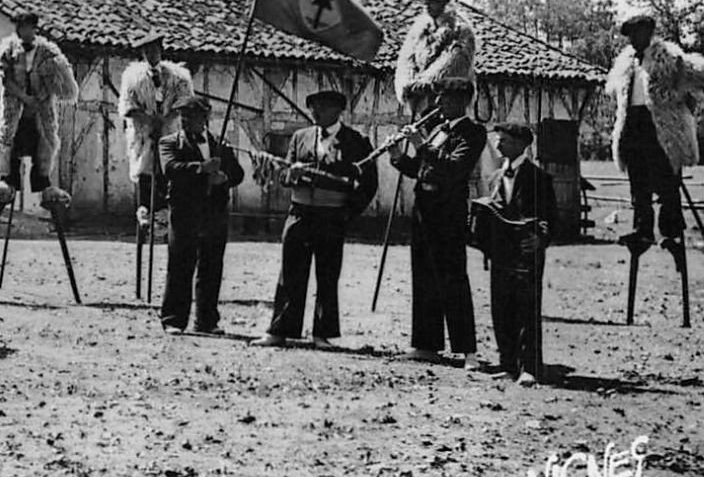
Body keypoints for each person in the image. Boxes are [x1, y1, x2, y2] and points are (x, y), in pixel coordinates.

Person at [253, 89, 380, 349]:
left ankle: (322, 334)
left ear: (337, 110)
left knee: (327, 274)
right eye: (312, 107)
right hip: (299, 212)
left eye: (321, 107)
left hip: (332, 215)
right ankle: (280, 330)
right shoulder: (301, 137)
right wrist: (292, 176)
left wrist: (347, 214)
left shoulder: (356, 141)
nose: (315, 112)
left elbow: (369, 183)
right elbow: (284, 175)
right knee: (289, 272)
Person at [390, 77, 487, 370]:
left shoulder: (473, 132)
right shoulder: (434, 128)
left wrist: (422, 145)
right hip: (424, 211)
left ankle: (467, 350)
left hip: (448, 215)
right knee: (423, 275)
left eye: (444, 99)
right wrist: (397, 157)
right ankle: (426, 344)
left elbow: (454, 169)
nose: (438, 104)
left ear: (461, 101)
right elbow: (422, 170)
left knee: (452, 278)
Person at [604, 12, 704, 255]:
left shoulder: (668, 57)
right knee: (638, 184)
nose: (633, 40)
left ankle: (670, 232)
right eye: (630, 36)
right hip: (633, 124)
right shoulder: (627, 63)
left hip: (659, 125)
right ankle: (643, 230)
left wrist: (679, 95)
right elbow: (619, 94)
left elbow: (697, 78)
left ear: (648, 33)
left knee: (666, 182)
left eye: (637, 34)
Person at [157, 98, 245, 336]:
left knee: (211, 266)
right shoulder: (168, 143)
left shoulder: (220, 144)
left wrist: (223, 177)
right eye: (183, 116)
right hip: (184, 212)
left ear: (205, 118)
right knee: (180, 265)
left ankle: (207, 321)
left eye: (192, 116)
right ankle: (174, 320)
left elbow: (238, 174)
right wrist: (202, 169)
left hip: (214, 213)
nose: (186, 121)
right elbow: (171, 169)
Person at [476, 122, 556, 387]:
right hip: (501, 253)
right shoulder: (495, 178)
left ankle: (530, 367)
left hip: (526, 252)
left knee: (527, 309)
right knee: (501, 308)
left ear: (522, 145)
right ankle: (507, 364)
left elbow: (550, 217)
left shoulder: (538, 178)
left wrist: (540, 239)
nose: (498, 145)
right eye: (498, 140)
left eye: (505, 141)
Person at [0, 12, 79, 206]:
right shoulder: (8, 49)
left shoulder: (48, 51)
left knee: (43, 144)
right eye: (20, 28)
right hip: (15, 108)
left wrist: (40, 97)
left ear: (33, 29)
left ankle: (44, 185)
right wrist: (23, 97)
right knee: (8, 143)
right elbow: (4, 77)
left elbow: (58, 82)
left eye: (27, 28)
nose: (23, 32)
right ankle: (7, 183)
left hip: (39, 110)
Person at [118, 30, 195, 228]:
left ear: (160, 50)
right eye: (147, 51)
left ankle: (164, 214)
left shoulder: (178, 77)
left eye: (154, 50)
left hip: (169, 128)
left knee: (168, 168)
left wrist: (167, 118)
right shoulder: (133, 78)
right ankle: (144, 210)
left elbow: (186, 102)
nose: (151, 55)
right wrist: (148, 120)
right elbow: (127, 106)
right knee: (144, 170)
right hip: (144, 132)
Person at [394, 0, 478, 114]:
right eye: (426, 2)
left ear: (443, 5)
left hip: (447, 96)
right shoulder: (418, 30)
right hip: (419, 97)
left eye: (432, 2)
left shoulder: (460, 30)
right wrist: (407, 83)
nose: (427, 6)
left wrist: (428, 82)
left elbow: (456, 60)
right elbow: (406, 58)